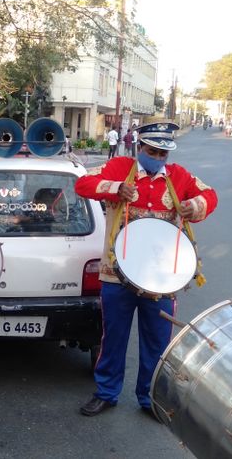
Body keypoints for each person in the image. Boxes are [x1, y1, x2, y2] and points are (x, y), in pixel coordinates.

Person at [75, 121, 218, 417]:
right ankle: (106, 392)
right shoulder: (118, 168)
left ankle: (150, 397)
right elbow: (82, 184)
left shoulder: (178, 177)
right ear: (140, 147)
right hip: (116, 274)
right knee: (113, 337)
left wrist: (194, 205)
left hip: (161, 279)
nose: (159, 158)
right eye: (153, 151)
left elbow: (211, 195)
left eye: (164, 153)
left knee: (157, 341)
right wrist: (115, 188)